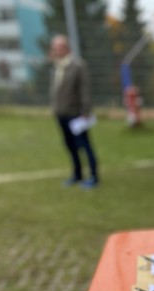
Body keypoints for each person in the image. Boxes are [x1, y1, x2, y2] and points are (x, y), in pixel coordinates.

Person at [49, 35, 99, 188]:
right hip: (61, 113)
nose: (56, 51)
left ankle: (93, 176)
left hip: (76, 114)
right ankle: (77, 174)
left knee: (85, 145)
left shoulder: (78, 65)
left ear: (66, 47)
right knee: (70, 146)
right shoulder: (58, 66)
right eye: (54, 47)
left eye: (58, 47)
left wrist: (85, 109)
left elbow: (85, 89)